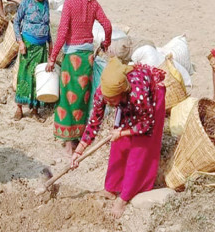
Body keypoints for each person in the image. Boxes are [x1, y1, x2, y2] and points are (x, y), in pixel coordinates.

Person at [70, 58, 166, 219]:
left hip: (151, 101)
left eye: (111, 100)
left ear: (122, 93)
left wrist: (122, 132)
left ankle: (124, 197)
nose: (108, 103)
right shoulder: (104, 93)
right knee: (119, 146)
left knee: (139, 149)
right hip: (129, 102)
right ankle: (111, 188)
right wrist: (78, 152)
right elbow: (94, 123)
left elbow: (146, 124)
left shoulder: (137, 94)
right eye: (106, 99)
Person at [45, 0, 112, 157]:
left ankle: (69, 142)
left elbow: (63, 32)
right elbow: (107, 25)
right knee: (82, 97)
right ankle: (79, 138)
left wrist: (52, 58)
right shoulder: (93, 3)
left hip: (71, 58)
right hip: (86, 60)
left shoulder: (69, 3)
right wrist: (106, 43)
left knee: (67, 98)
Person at [13, 0, 52, 122]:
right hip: (28, 46)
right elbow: (16, 22)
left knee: (38, 78)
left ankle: (35, 109)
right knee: (24, 76)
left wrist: (50, 44)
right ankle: (19, 108)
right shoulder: (26, 3)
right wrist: (20, 42)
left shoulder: (46, 2)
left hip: (42, 47)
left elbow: (47, 25)